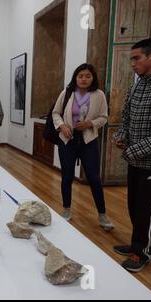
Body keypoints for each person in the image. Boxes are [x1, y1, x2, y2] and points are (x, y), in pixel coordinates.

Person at [112, 38, 151, 273]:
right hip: (134, 160)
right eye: (131, 58)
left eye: (136, 58)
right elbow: (127, 115)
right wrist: (122, 135)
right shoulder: (137, 85)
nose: (132, 63)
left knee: (148, 209)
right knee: (134, 205)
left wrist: (140, 148)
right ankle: (137, 243)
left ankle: (142, 252)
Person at [52, 63, 114, 231]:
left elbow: (104, 117)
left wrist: (90, 123)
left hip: (89, 140)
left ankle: (102, 215)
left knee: (94, 178)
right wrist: (62, 126)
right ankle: (66, 209)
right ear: (75, 78)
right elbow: (56, 113)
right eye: (80, 76)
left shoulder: (99, 95)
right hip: (68, 140)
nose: (84, 79)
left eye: (87, 76)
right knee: (67, 176)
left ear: (92, 77)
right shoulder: (67, 93)